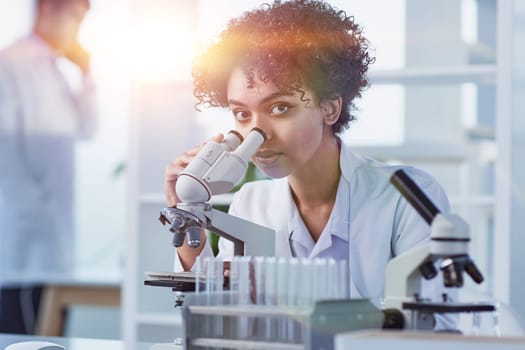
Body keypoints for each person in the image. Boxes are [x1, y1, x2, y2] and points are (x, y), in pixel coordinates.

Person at [164, 0, 457, 330]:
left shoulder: (407, 197)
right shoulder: (252, 202)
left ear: (330, 109)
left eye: (280, 108)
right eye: (242, 114)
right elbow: (218, 318)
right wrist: (187, 214)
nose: (257, 135)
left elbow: (439, 328)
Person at [0, 0, 95, 334]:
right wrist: (33, 209)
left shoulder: (56, 68)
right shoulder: (9, 62)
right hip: (25, 239)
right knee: (23, 335)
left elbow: (87, 128)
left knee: (52, 332)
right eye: (75, 18)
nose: (78, 29)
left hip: (54, 234)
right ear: (48, 8)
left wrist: (86, 73)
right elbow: (4, 148)